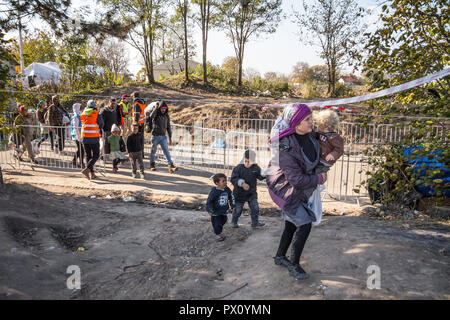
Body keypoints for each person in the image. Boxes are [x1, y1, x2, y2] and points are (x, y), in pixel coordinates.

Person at [266, 104, 327, 280]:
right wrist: (319, 179)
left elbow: (324, 143)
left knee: (291, 224)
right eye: (307, 119)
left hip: (299, 189)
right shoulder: (285, 147)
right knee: (304, 223)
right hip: (286, 189)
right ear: (296, 123)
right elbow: (297, 180)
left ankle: (279, 257)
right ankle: (294, 265)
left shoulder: (309, 135)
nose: (311, 122)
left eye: (311, 118)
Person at [230, 149, 266, 228]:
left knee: (255, 208)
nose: (247, 164)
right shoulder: (238, 168)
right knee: (238, 210)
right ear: (243, 158)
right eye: (245, 161)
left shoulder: (256, 168)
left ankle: (255, 222)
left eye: (249, 162)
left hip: (251, 193)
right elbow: (233, 179)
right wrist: (242, 183)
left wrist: (265, 172)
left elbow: (260, 177)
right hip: (239, 194)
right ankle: (234, 221)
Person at [147, 100, 177, 173]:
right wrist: (155, 108)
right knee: (153, 151)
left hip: (163, 137)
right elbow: (151, 117)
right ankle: (152, 165)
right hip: (155, 136)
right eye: (162, 108)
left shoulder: (166, 116)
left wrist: (170, 137)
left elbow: (168, 127)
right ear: (160, 108)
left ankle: (170, 165)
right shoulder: (156, 114)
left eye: (165, 108)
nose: (163, 110)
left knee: (166, 151)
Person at [206, 173, 236, 242]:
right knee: (217, 224)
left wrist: (233, 205)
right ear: (217, 183)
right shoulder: (214, 191)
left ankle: (218, 229)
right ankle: (218, 234)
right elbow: (209, 201)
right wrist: (209, 209)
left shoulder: (227, 190)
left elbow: (231, 197)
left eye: (225, 180)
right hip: (215, 212)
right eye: (223, 181)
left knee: (224, 220)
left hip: (224, 211)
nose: (225, 182)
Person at [80, 100, 104, 180]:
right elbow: (101, 124)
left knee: (88, 156)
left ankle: (91, 174)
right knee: (96, 155)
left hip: (84, 137)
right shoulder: (97, 113)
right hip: (93, 137)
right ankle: (87, 169)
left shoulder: (83, 113)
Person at [131, 91, 146, 158]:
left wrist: (135, 124)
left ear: (134, 96)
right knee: (141, 139)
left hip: (137, 124)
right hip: (142, 123)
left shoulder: (136, 104)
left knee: (136, 139)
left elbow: (137, 114)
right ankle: (141, 154)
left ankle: (138, 154)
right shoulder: (142, 103)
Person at [70, 103, 84, 168]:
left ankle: (75, 160)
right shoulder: (76, 117)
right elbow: (76, 127)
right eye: (81, 108)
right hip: (76, 135)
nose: (82, 109)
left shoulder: (79, 115)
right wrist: (78, 137)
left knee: (80, 149)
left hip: (80, 135)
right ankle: (80, 163)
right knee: (81, 149)